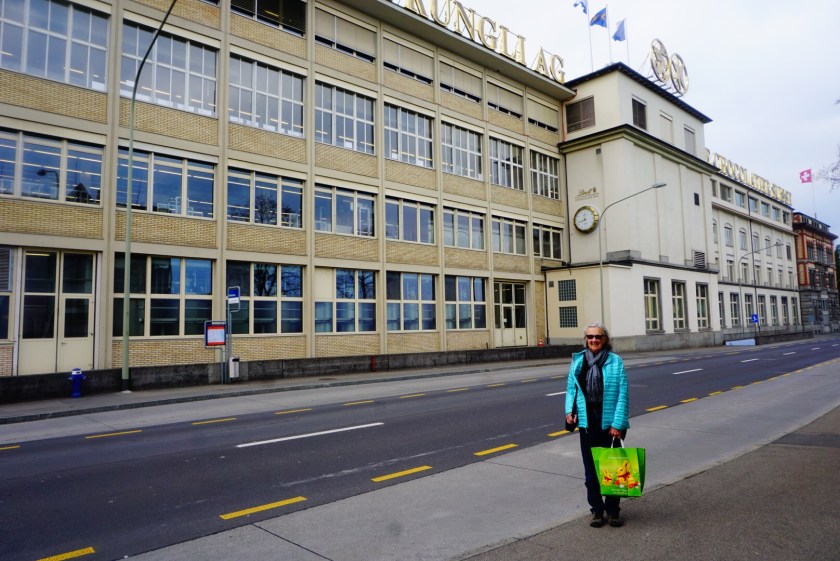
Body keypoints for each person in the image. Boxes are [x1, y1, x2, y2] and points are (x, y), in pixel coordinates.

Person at [565, 322, 630, 527]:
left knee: (612, 468)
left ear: (605, 340)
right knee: (591, 472)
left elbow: (623, 394)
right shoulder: (578, 361)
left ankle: (613, 511)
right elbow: (571, 389)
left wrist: (617, 424)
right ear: (586, 339)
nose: (594, 340)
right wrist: (569, 412)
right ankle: (597, 510)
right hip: (587, 422)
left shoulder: (615, 361)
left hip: (609, 422)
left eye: (598, 337)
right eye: (590, 336)